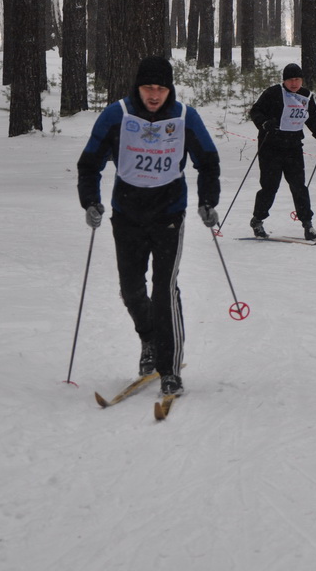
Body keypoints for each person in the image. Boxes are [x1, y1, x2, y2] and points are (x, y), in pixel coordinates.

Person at [77, 56, 220, 397]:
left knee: (164, 290)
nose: (154, 95)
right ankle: (150, 341)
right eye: (147, 88)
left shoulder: (185, 117)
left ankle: (170, 369)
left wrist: (207, 201)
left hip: (169, 213)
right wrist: (90, 201)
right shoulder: (116, 115)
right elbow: (90, 162)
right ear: (137, 87)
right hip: (126, 213)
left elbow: (208, 160)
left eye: (160, 88)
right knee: (131, 289)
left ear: (169, 89)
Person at [249, 63, 316, 241]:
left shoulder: (306, 96)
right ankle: (258, 220)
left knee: (299, 187)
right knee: (270, 186)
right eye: (290, 80)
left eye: (297, 79)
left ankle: (307, 225)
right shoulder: (273, 93)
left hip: (293, 147)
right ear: (284, 81)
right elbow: (255, 111)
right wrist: (264, 123)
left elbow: (311, 119)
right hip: (270, 147)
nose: (294, 83)